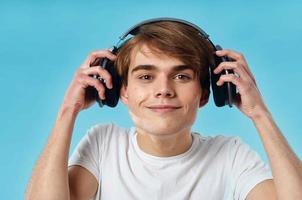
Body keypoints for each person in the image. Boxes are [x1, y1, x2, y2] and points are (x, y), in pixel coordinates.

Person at [25, 19, 302, 200]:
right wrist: (68, 110)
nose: (164, 90)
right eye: (146, 76)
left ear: (206, 94)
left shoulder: (229, 155)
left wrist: (260, 114)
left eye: (181, 76)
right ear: (121, 91)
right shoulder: (103, 145)